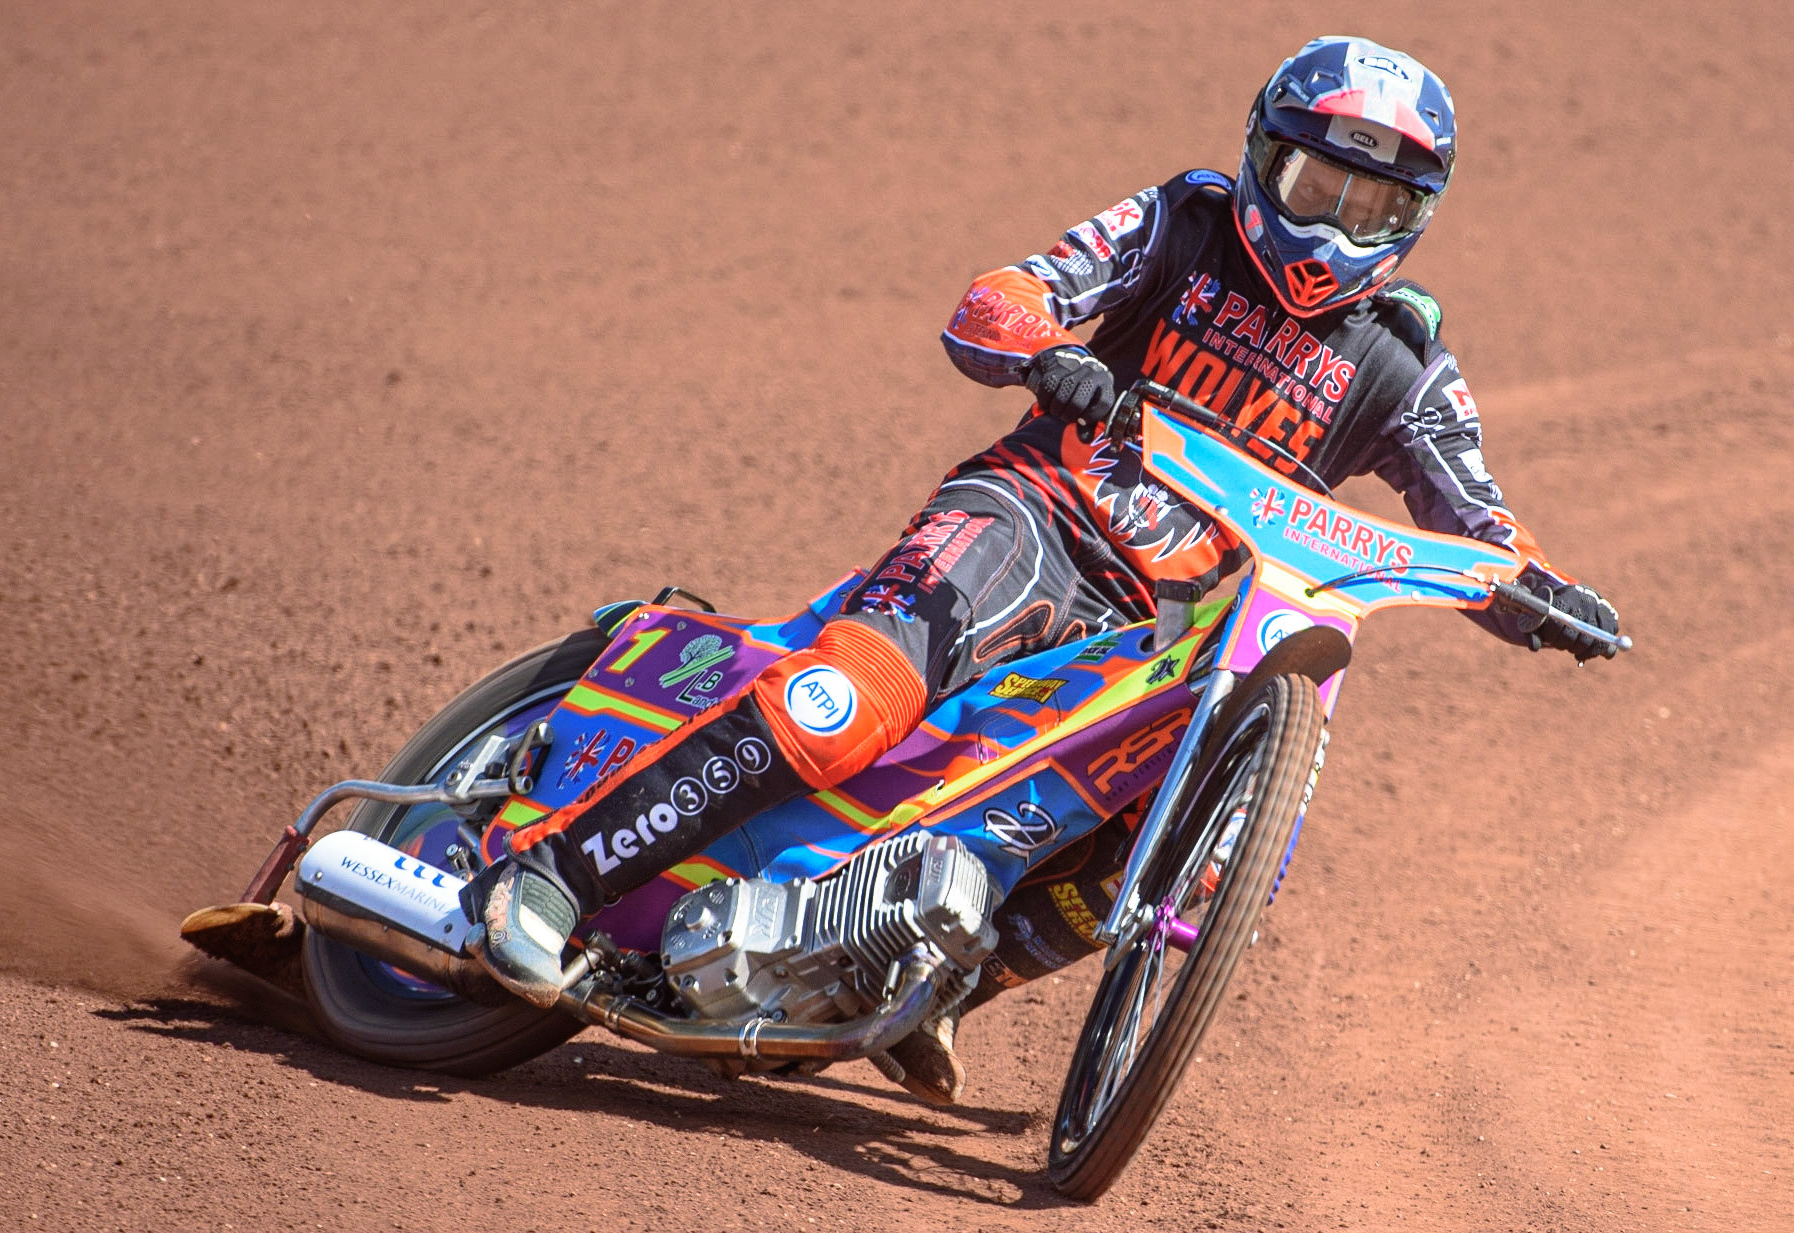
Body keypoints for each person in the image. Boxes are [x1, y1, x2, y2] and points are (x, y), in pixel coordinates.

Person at [461, 35, 1619, 1102]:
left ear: (1411, 217)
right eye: (1316, 184)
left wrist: (1542, 596)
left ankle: (930, 984)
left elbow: (1479, 520)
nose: (1332, 221)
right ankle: (551, 872)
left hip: (1164, 628)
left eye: (1367, 202)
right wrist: (1049, 354)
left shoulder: (1405, 364)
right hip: (1029, 517)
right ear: (1263, 158)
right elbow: (1005, 296)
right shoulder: (1180, 220)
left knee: (1172, 860)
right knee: (843, 704)